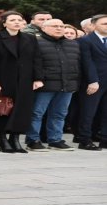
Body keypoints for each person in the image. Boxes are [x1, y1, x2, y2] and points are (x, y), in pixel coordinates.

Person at [0, 11, 44, 153]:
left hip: (25, 79)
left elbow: (36, 58)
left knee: (21, 109)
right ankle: (3, 139)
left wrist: (38, 78)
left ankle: (15, 139)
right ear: (4, 23)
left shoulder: (29, 38)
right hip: (4, 78)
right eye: (12, 20)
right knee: (4, 109)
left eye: (19, 20)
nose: (17, 22)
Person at [28, 19, 79, 151]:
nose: (59, 28)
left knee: (59, 114)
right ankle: (33, 140)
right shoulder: (36, 43)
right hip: (44, 85)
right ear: (43, 28)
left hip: (67, 85)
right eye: (55, 26)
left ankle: (55, 140)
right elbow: (33, 64)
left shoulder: (72, 44)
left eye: (61, 26)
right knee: (37, 113)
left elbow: (77, 65)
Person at [77, 14, 107, 150]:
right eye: (104, 24)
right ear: (94, 26)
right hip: (94, 82)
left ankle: (104, 139)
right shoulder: (86, 40)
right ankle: (84, 140)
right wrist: (93, 80)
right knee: (88, 112)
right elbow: (87, 62)